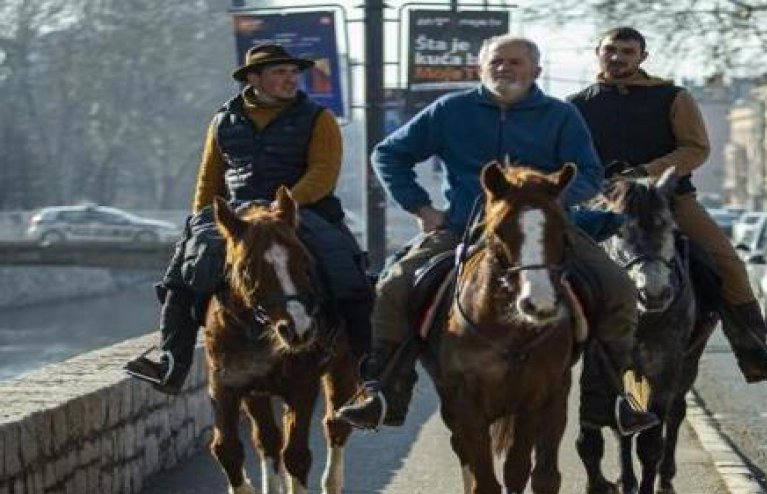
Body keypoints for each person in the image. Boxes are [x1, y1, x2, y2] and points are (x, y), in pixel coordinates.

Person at [334, 35, 659, 435]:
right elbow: (388, 153)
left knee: (618, 287)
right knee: (394, 286)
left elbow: (590, 175)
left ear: (535, 71)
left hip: (546, 231)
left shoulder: (561, 115)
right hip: (462, 227)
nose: (505, 69)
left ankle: (618, 398)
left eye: (515, 62)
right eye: (497, 62)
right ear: (481, 68)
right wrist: (421, 207)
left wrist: (550, 202)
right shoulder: (450, 110)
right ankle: (381, 392)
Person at [123, 43, 373, 394]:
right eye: (279, 73)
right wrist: (201, 221)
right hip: (238, 215)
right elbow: (209, 179)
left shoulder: (320, 118)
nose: (291, 80)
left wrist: (283, 206)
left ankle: (369, 377)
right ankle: (171, 364)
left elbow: (323, 173)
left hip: (301, 210)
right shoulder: (223, 120)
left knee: (350, 277)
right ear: (254, 79)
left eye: (292, 73)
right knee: (183, 276)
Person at [567, 27, 767, 385]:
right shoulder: (575, 104)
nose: (617, 57)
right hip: (603, 205)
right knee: (544, 262)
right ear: (597, 52)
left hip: (671, 201)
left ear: (642, 58)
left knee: (729, 266)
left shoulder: (672, 96)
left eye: (627, 51)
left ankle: (754, 353)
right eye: (610, 50)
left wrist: (646, 173)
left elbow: (696, 149)